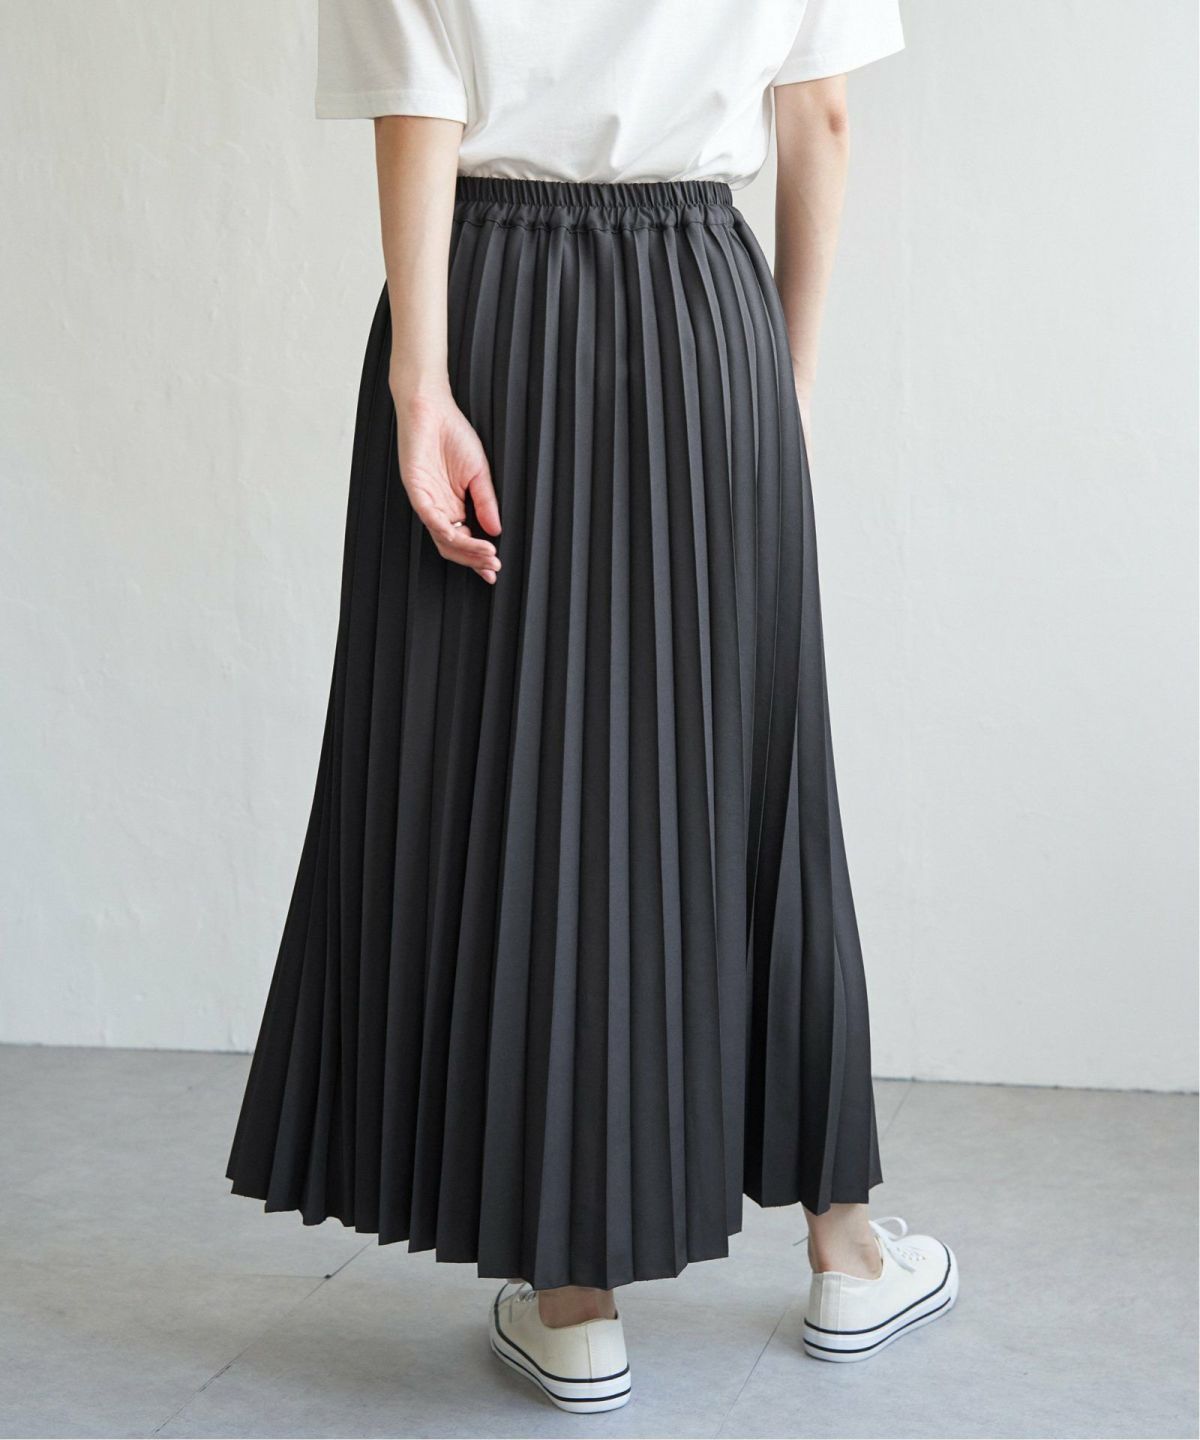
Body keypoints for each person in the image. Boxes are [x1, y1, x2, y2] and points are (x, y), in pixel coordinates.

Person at [226, 0, 959, 1413]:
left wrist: (422, 381)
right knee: (757, 765)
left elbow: (421, 105)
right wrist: (785, 385)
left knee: (513, 783)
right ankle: (845, 1248)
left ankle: (572, 1306)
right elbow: (820, 111)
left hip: (489, 309)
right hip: (705, 309)